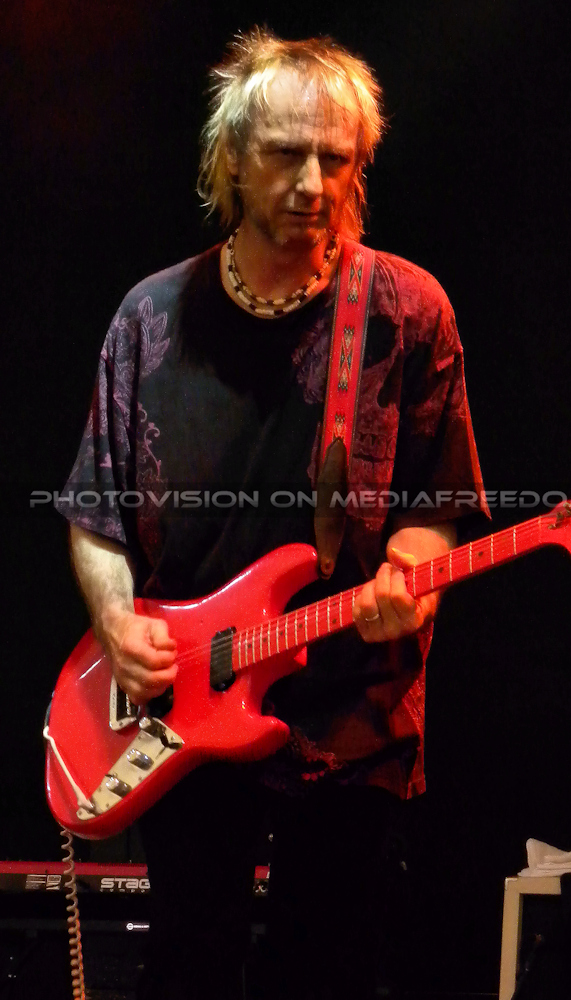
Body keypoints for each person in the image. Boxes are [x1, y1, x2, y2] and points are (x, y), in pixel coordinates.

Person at [57, 28, 487, 1000]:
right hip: (184, 707)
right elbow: (94, 507)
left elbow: (438, 501)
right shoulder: (149, 317)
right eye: (286, 153)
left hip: (351, 713)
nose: (310, 182)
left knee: (329, 966)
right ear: (232, 158)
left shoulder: (407, 310)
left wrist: (411, 581)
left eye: (336, 159)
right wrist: (117, 621)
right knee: (190, 960)